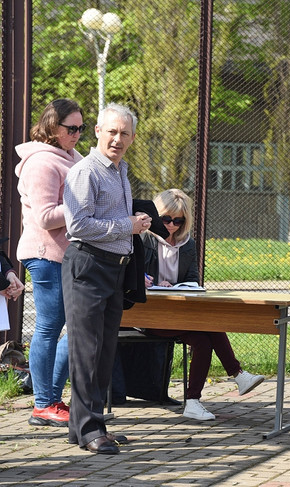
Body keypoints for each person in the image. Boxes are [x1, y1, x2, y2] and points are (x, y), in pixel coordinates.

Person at [63, 103, 152, 455]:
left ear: (132, 138)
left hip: (115, 269)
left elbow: (106, 218)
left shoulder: (120, 171)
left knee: (102, 352)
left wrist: (136, 224)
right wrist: (125, 226)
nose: (118, 138)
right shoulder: (86, 171)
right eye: (112, 131)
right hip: (87, 266)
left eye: (125, 133)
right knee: (86, 352)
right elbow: (77, 225)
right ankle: (90, 429)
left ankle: (85, 426)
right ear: (97, 131)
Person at [141, 188, 265, 421]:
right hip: (150, 315)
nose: (171, 225)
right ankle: (237, 374)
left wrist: (179, 287)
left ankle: (193, 402)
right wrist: (151, 282)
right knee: (208, 328)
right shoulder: (143, 238)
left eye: (178, 221)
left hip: (179, 313)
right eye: (166, 219)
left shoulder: (187, 244)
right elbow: (130, 273)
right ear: (157, 216)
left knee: (203, 339)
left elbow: (192, 281)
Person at [14, 99, 82, 427]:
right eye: (72, 128)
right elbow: (44, 217)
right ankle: (43, 403)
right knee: (49, 328)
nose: (77, 134)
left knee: (77, 328)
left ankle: (51, 400)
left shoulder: (73, 158)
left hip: (69, 258)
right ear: (53, 127)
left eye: (82, 128)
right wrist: (84, 208)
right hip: (45, 255)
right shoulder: (41, 162)